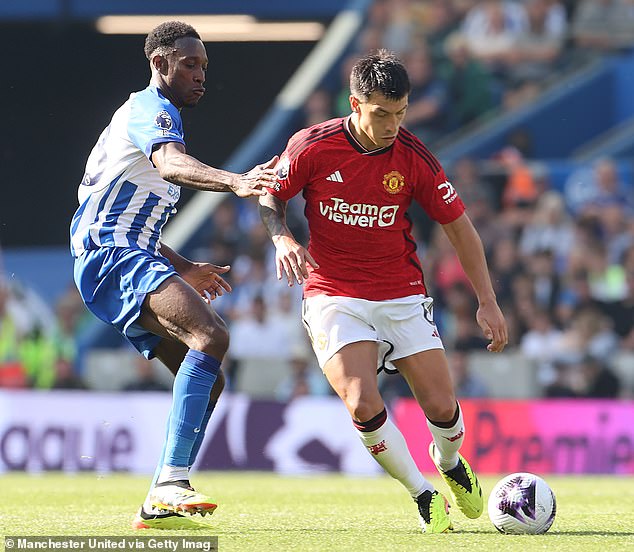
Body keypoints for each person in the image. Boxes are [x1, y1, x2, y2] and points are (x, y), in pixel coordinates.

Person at [259, 49, 507, 534]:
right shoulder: (313, 145)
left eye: (401, 112)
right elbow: (271, 195)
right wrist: (282, 237)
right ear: (355, 103)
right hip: (333, 291)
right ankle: (423, 492)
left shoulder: (413, 157)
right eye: (381, 113)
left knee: (440, 407)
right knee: (360, 400)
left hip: (401, 291)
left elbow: (460, 229)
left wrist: (488, 301)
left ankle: (450, 461)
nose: (393, 124)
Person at [70, 21, 278, 530]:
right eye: (189, 64)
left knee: (210, 377)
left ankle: (158, 497)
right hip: (110, 255)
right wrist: (237, 181)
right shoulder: (150, 110)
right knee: (212, 334)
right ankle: (171, 481)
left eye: (205, 65)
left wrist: (182, 266)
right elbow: (169, 166)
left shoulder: (147, 119)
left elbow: (125, 209)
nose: (201, 75)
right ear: (158, 64)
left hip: (120, 253)